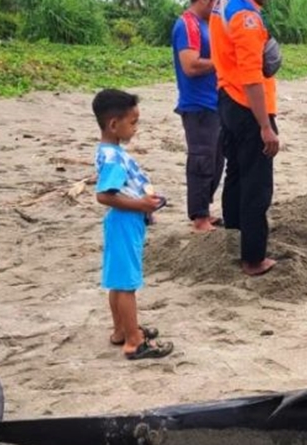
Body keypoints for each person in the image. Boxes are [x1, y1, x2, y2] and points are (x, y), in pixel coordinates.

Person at [92, 89, 174, 360]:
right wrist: (142, 205)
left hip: (123, 221)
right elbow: (105, 195)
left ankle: (121, 330)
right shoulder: (114, 158)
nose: (136, 128)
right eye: (133, 122)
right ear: (114, 124)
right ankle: (134, 341)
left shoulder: (110, 151)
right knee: (127, 283)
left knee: (117, 280)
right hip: (125, 221)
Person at [210, 0, 280, 276]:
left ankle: (234, 231)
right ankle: (253, 258)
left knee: (236, 171)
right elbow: (251, 77)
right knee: (257, 182)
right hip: (248, 104)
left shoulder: (222, 5)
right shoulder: (245, 16)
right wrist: (265, 125)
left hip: (227, 97)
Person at [172, 0, 225, 233]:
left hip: (214, 103)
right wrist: (222, 62)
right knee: (202, 160)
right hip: (198, 105)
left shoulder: (205, 23)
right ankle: (199, 216)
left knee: (216, 160)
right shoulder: (188, 24)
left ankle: (204, 209)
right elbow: (190, 65)